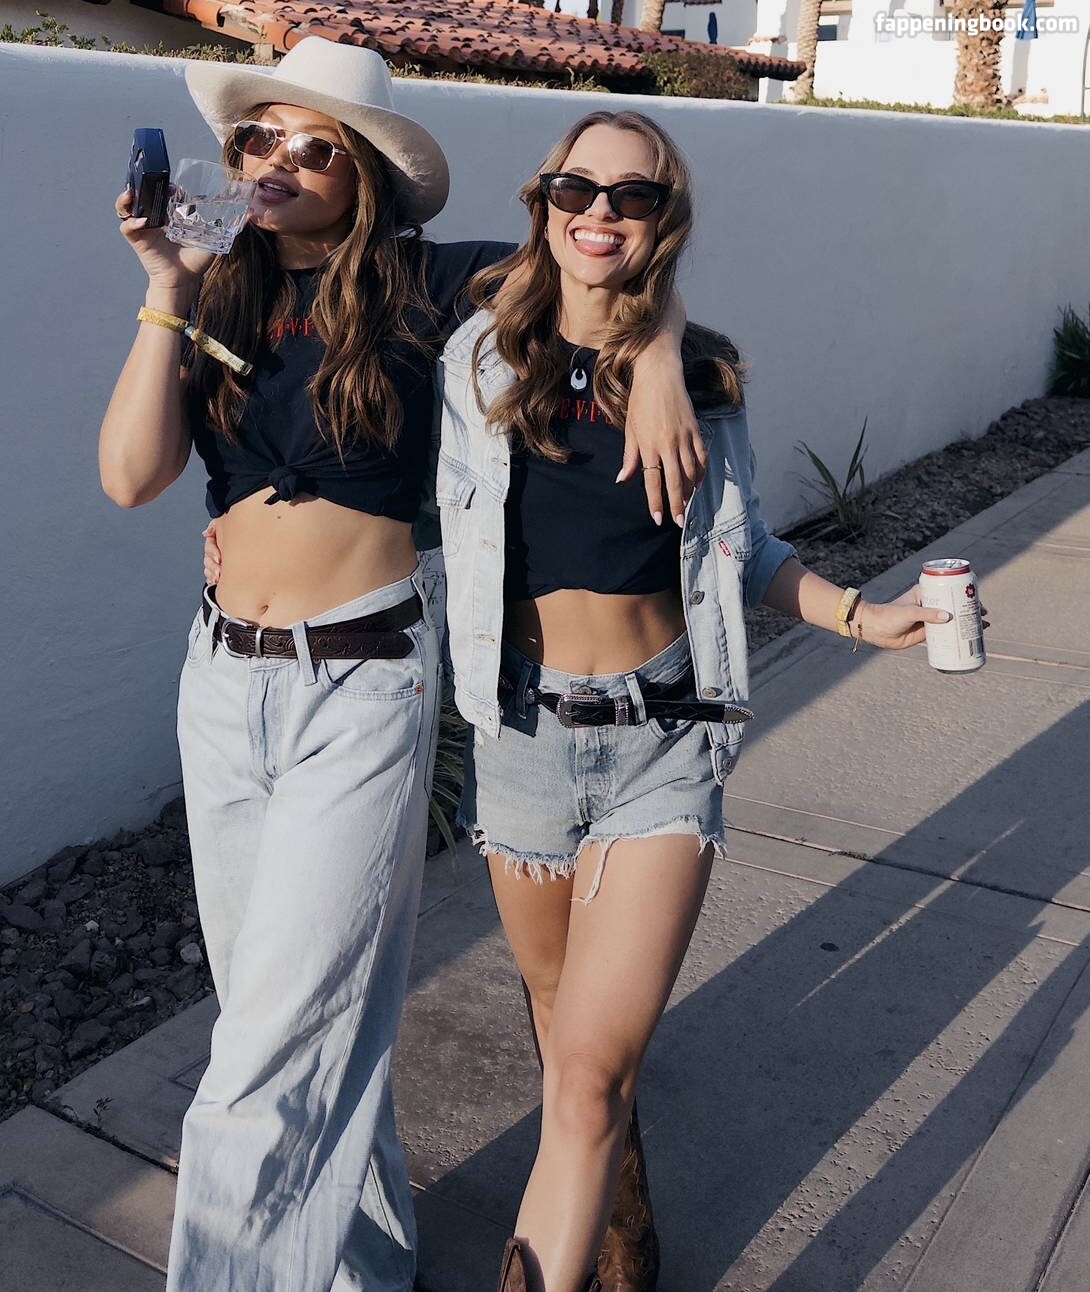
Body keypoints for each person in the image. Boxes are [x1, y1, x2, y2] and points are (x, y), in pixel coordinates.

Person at [102, 41, 701, 1292]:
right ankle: (365, 1265)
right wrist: (164, 284)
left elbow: (603, 268)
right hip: (223, 682)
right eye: (259, 138)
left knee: (268, 1057)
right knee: (293, 1015)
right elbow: (131, 476)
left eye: (316, 148)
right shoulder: (213, 285)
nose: (280, 161)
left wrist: (656, 362)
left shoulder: (430, 281)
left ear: (363, 173)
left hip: (362, 677)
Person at [437, 109, 958, 1292]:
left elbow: (744, 544)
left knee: (586, 1076)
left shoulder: (707, 374)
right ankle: (623, 1228)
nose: (600, 212)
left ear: (665, 221)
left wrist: (859, 615)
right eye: (576, 188)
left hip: (662, 735)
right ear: (543, 201)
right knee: (563, 1030)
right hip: (522, 733)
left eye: (634, 196)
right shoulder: (473, 359)